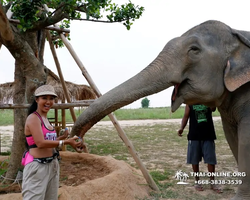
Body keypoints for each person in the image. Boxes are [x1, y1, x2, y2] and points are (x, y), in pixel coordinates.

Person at [22, 84, 83, 200]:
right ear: (36, 100)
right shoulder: (33, 118)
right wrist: (66, 142)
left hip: (52, 165)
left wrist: (62, 138)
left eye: (51, 98)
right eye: (44, 98)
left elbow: (48, 142)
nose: (48, 102)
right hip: (38, 167)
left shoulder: (45, 119)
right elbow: (40, 143)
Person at [178, 104, 222, 193]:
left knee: (211, 160)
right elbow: (186, 116)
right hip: (194, 136)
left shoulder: (208, 99)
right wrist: (181, 128)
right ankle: (198, 182)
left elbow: (213, 108)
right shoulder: (190, 102)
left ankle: (213, 182)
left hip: (208, 135)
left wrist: (208, 100)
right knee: (194, 160)